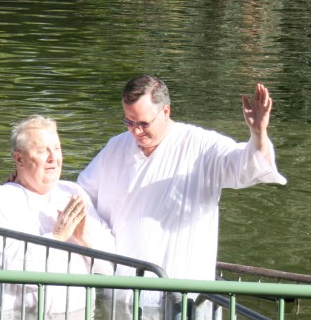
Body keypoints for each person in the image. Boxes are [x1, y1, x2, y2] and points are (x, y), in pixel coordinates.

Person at [77, 75, 287, 304]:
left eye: (144, 123)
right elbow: (81, 196)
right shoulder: (116, 148)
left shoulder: (201, 146)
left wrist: (258, 134)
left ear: (166, 111)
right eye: (129, 122)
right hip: (121, 296)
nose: (136, 132)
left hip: (182, 301)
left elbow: (246, 167)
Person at [0, 114, 116, 315]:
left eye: (57, 148)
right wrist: (56, 238)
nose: (53, 158)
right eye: (42, 151)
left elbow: (109, 267)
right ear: (19, 159)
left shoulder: (72, 192)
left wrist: (84, 240)